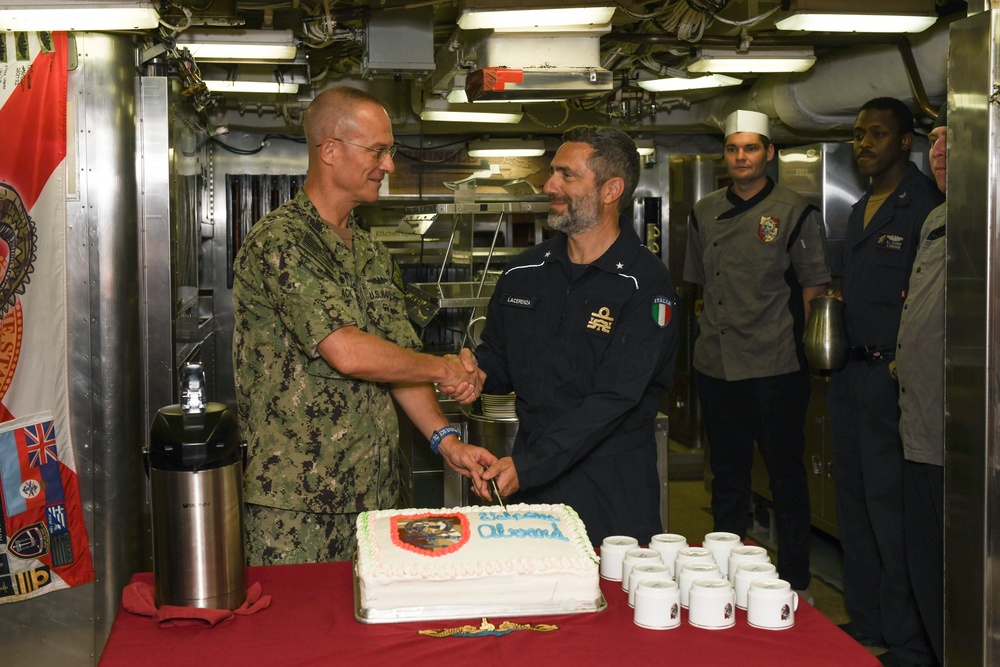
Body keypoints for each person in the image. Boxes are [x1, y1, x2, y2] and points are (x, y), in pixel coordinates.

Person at [232, 86, 495, 565]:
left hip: (378, 499)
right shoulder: (281, 241)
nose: (389, 165)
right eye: (377, 151)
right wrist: (443, 368)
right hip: (298, 506)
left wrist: (447, 441)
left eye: (389, 152)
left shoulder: (372, 253)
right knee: (299, 638)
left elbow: (396, 364)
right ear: (330, 150)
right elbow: (348, 352)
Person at [476, 126, 679, 546]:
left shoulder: (646, 286)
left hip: (610, 492)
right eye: (553, 173)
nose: (549, 185)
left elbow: (613, 401)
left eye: (566, 175)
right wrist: (472, 374)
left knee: (618, 604)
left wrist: (527, 465)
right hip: (533, 490)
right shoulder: (522, 274)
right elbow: (498, 359)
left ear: (611, 190)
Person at [682, 109, 830, 600]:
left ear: (769, 153)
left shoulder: (796, 211)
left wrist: (812, 360)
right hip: (716, 364)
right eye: (732, 148)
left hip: (775, 365)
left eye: (751, 148)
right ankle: (724, 577)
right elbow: (698, 289)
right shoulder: (703, 211)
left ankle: (795, 581)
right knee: (727, 476)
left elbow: (813, 289)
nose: (741, 157)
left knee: (785, 475)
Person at [829, 97, 943, 666]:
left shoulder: (925, 205)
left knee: (893, 511)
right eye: (858, 134)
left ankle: (906, 638)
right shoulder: (858, 209)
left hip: (895, 382)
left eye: (878, 134)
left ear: (906, 142)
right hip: (851, 374)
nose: (865, 144)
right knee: (853, 503)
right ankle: (867, 619)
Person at [894, 103, 948, 666]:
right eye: (934, 141)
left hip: (966, 433)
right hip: (920, 424)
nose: (941, 151)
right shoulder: (937, 219)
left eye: (955, 141)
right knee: (925, 557)